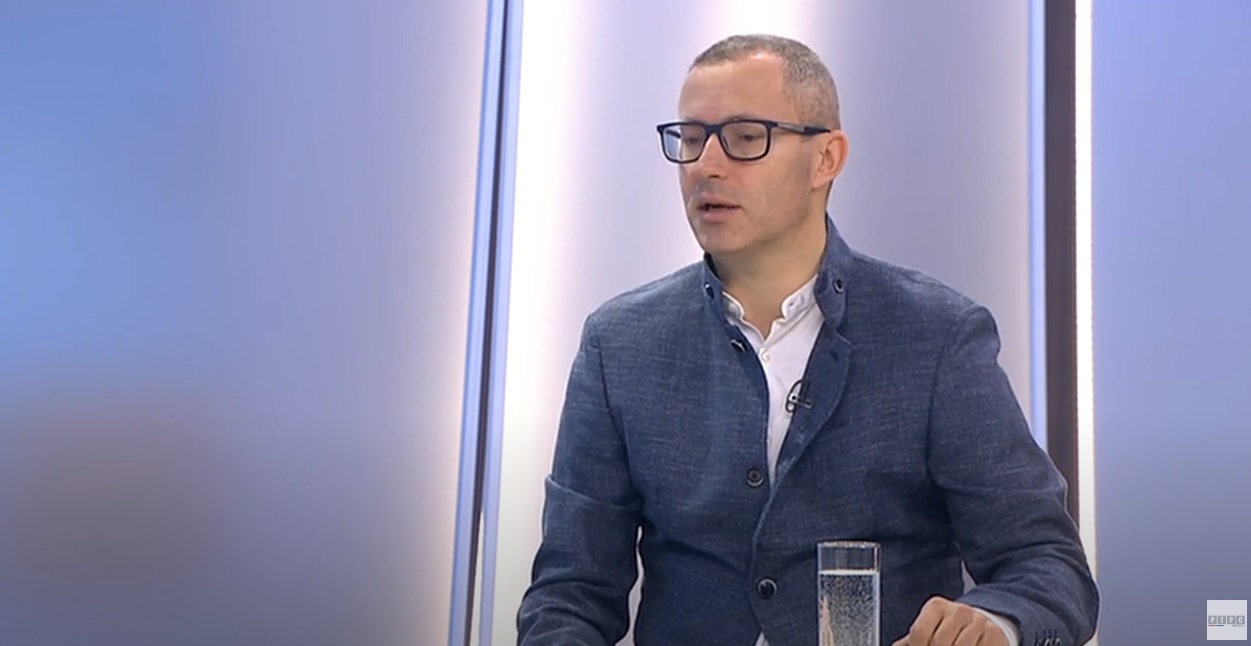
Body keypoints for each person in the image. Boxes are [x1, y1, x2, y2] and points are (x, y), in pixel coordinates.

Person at [517, 34, 1098, 646]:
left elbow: (1047, 566)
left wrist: (996, 624)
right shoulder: (620, 345)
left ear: (826, 158)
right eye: (690, 139)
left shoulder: (935, 337)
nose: (705, 166)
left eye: (745, 137)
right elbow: (569, 596)